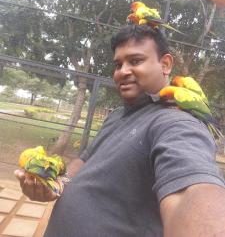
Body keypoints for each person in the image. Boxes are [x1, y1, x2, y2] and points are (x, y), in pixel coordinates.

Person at [15, 25, 225, 237]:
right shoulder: (117, 115)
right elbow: (85, 161)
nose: (123, 71)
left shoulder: (174, 122)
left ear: (165, 64)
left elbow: (191, 190)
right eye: (118, 64)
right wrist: (58, 184)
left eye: (135, 61)